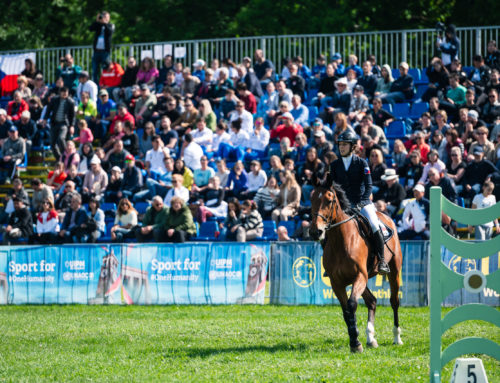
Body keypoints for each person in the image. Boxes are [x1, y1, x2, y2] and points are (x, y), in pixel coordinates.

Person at [321, 130, 390, 274]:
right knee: (325, 227)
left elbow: (369, 186)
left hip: (362, 202)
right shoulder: (334, 165)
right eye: (340, 144)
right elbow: (331, 186)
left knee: (374, 224)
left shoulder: (362, 163)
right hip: (343, 205)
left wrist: (362, 202)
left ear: (352, 147)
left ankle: (382, 260)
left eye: (345, 144)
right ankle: (330, 263)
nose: (341, 147)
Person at [43, 87, 75, 160]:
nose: (64, 94)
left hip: (64, 123)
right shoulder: (54, 100)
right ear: (59, 93)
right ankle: (59, 159)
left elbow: (73, 116)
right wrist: (45, 119)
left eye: (66, 92)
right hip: (54, 123)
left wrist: (72, 126)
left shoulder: (70, 102)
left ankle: (65, 156)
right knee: (52, 144)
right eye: (63, 92)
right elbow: (48, 110)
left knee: (61, 138)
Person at [89, 11, 114, 83]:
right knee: (95, 71)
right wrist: (97, 21)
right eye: (103, 17)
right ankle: (96, 85)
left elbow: (109, 32)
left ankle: (105, 85)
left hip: (105, 52)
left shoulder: (110, 25)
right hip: (97, 51)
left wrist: (105, 23)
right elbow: (91, 28)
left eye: (106, 17)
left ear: (108, 18)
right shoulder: (98, 25)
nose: (104, 18)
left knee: (105, 69)